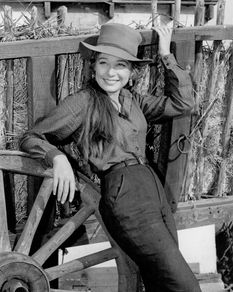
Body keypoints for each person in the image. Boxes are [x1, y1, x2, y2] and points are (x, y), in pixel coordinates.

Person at [20, 23, 201, 292]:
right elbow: (30, 137)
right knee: (183, 285)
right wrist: (57, 158)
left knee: (160, 283)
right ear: (93, 66)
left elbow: (183, 103)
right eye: (103, 62)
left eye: (120, 65)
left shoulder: (132, 100)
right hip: (125, 197)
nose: (111, 72)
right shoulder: (83, 103)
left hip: (153, 191)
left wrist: (166, 55)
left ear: (131, 72)